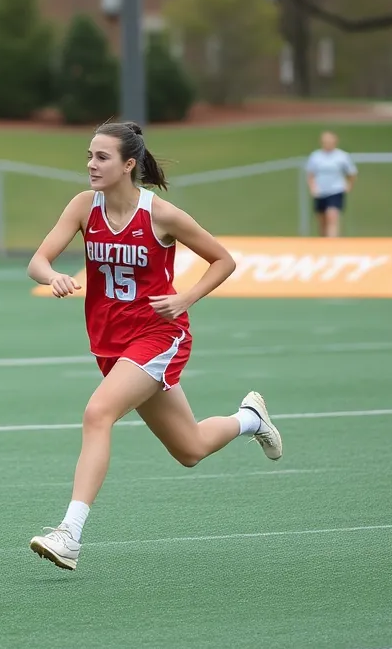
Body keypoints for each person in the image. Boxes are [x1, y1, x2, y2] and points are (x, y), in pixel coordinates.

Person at [25, 121, 283, 571]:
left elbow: (223, 260)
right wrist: (54, 276)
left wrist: (185, 298)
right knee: (190, 449)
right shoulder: (84, 206)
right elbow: (38, 261)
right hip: (110, 344)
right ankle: (250, 419)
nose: (91, 164)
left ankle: (69, 534)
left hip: (159, 337)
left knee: (97, 413)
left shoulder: (161, 214)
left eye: (102, 157)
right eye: (89, 156)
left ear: (129, 164)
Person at [304, 131, 357, 238]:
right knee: (322, 220)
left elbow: (352, 172)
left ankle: (333, 243)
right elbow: (310, 174)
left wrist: (349, 185)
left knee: (332, 216)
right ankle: (323, 242)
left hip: (335, 190)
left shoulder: (342, 156)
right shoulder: (316, 156)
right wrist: (312, 187)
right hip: (320, 191)